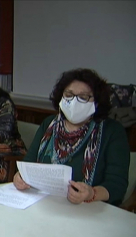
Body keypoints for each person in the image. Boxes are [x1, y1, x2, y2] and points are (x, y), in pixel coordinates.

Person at [13, 68, 130, 206]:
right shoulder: (49, 124)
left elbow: (117, 185)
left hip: (89, 210)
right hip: (44, 204)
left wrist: (92, 193)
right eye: (69, 95)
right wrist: (19, 177)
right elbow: (28, 164)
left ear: (97, 102)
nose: (74, 101)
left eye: (83, 97)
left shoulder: (112, 131)